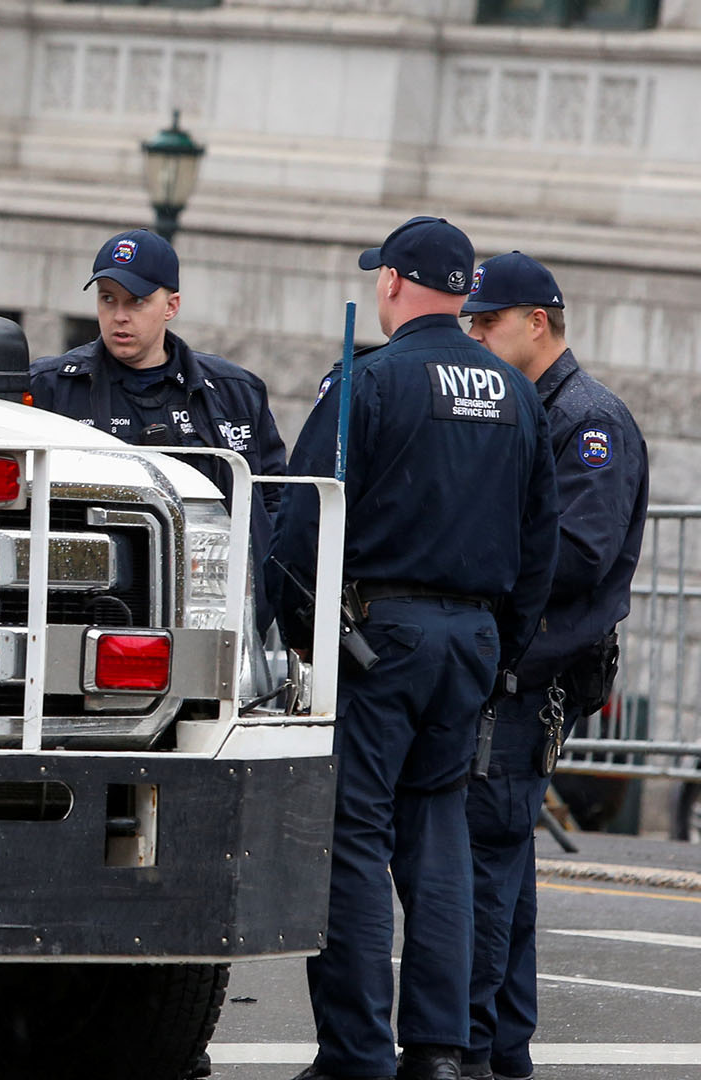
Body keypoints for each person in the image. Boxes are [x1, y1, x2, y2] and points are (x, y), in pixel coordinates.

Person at [272, 216, 558, 1080]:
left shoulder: (372, 382)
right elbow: (540, 539)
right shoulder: (513, 392)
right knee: (437, 836)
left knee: (353, 836)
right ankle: (440, 1047)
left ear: (393, 283)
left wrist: (311, 643)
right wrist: (501, 650)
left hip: (378, 637)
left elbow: (298, 527)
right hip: (470, 641)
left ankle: (357, 1053)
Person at [460, 252, 649, 1080]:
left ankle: (471, 1051)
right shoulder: (533, 410)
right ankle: (502, 1050)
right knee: (500, 865)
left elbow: (578, 553)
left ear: (537, 322)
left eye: (487, 322)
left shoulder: (587, 420)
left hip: (533, 674)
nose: (475, 336)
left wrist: (463, 550)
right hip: (513, 665)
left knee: (485, 863)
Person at [29, 228, 286, 513]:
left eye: (136, 301)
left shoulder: (235, 389)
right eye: (108, 299)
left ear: (171, 306)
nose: (120, 316)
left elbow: (275, 501)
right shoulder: (50, 386)